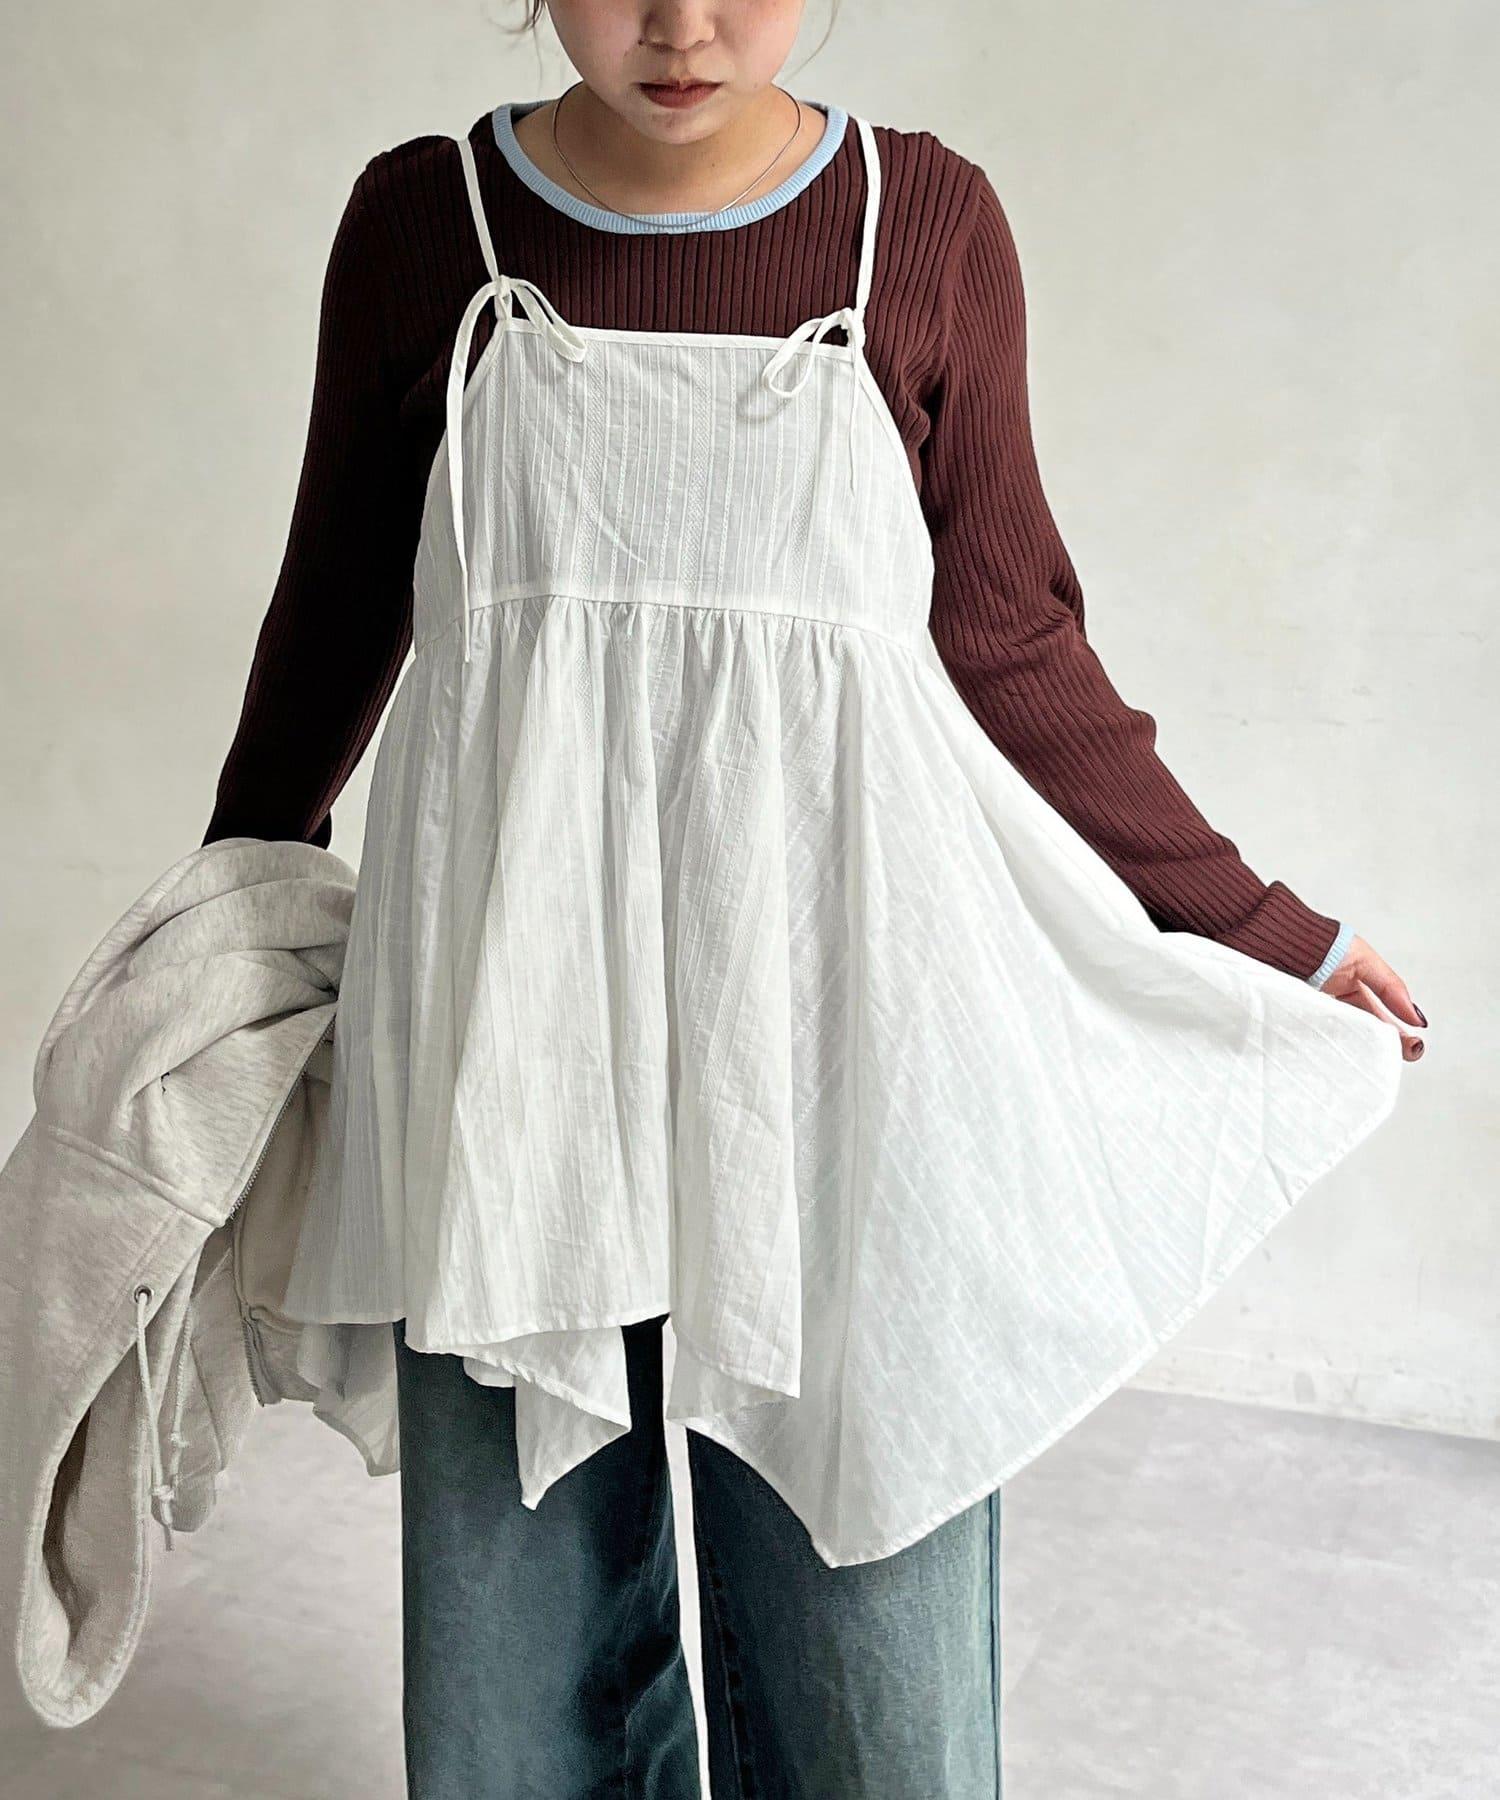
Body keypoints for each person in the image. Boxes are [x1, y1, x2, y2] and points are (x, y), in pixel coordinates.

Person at [201, 6, 1426, 1794]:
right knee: (512, 1691)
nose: (682, 24)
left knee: (879, 1688)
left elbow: (1011, 637)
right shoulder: (424, 225)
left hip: (844, 1045)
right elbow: (334, 612)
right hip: (508, 1052)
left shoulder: (918, 227)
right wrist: (220, 917)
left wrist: (1260, 928)